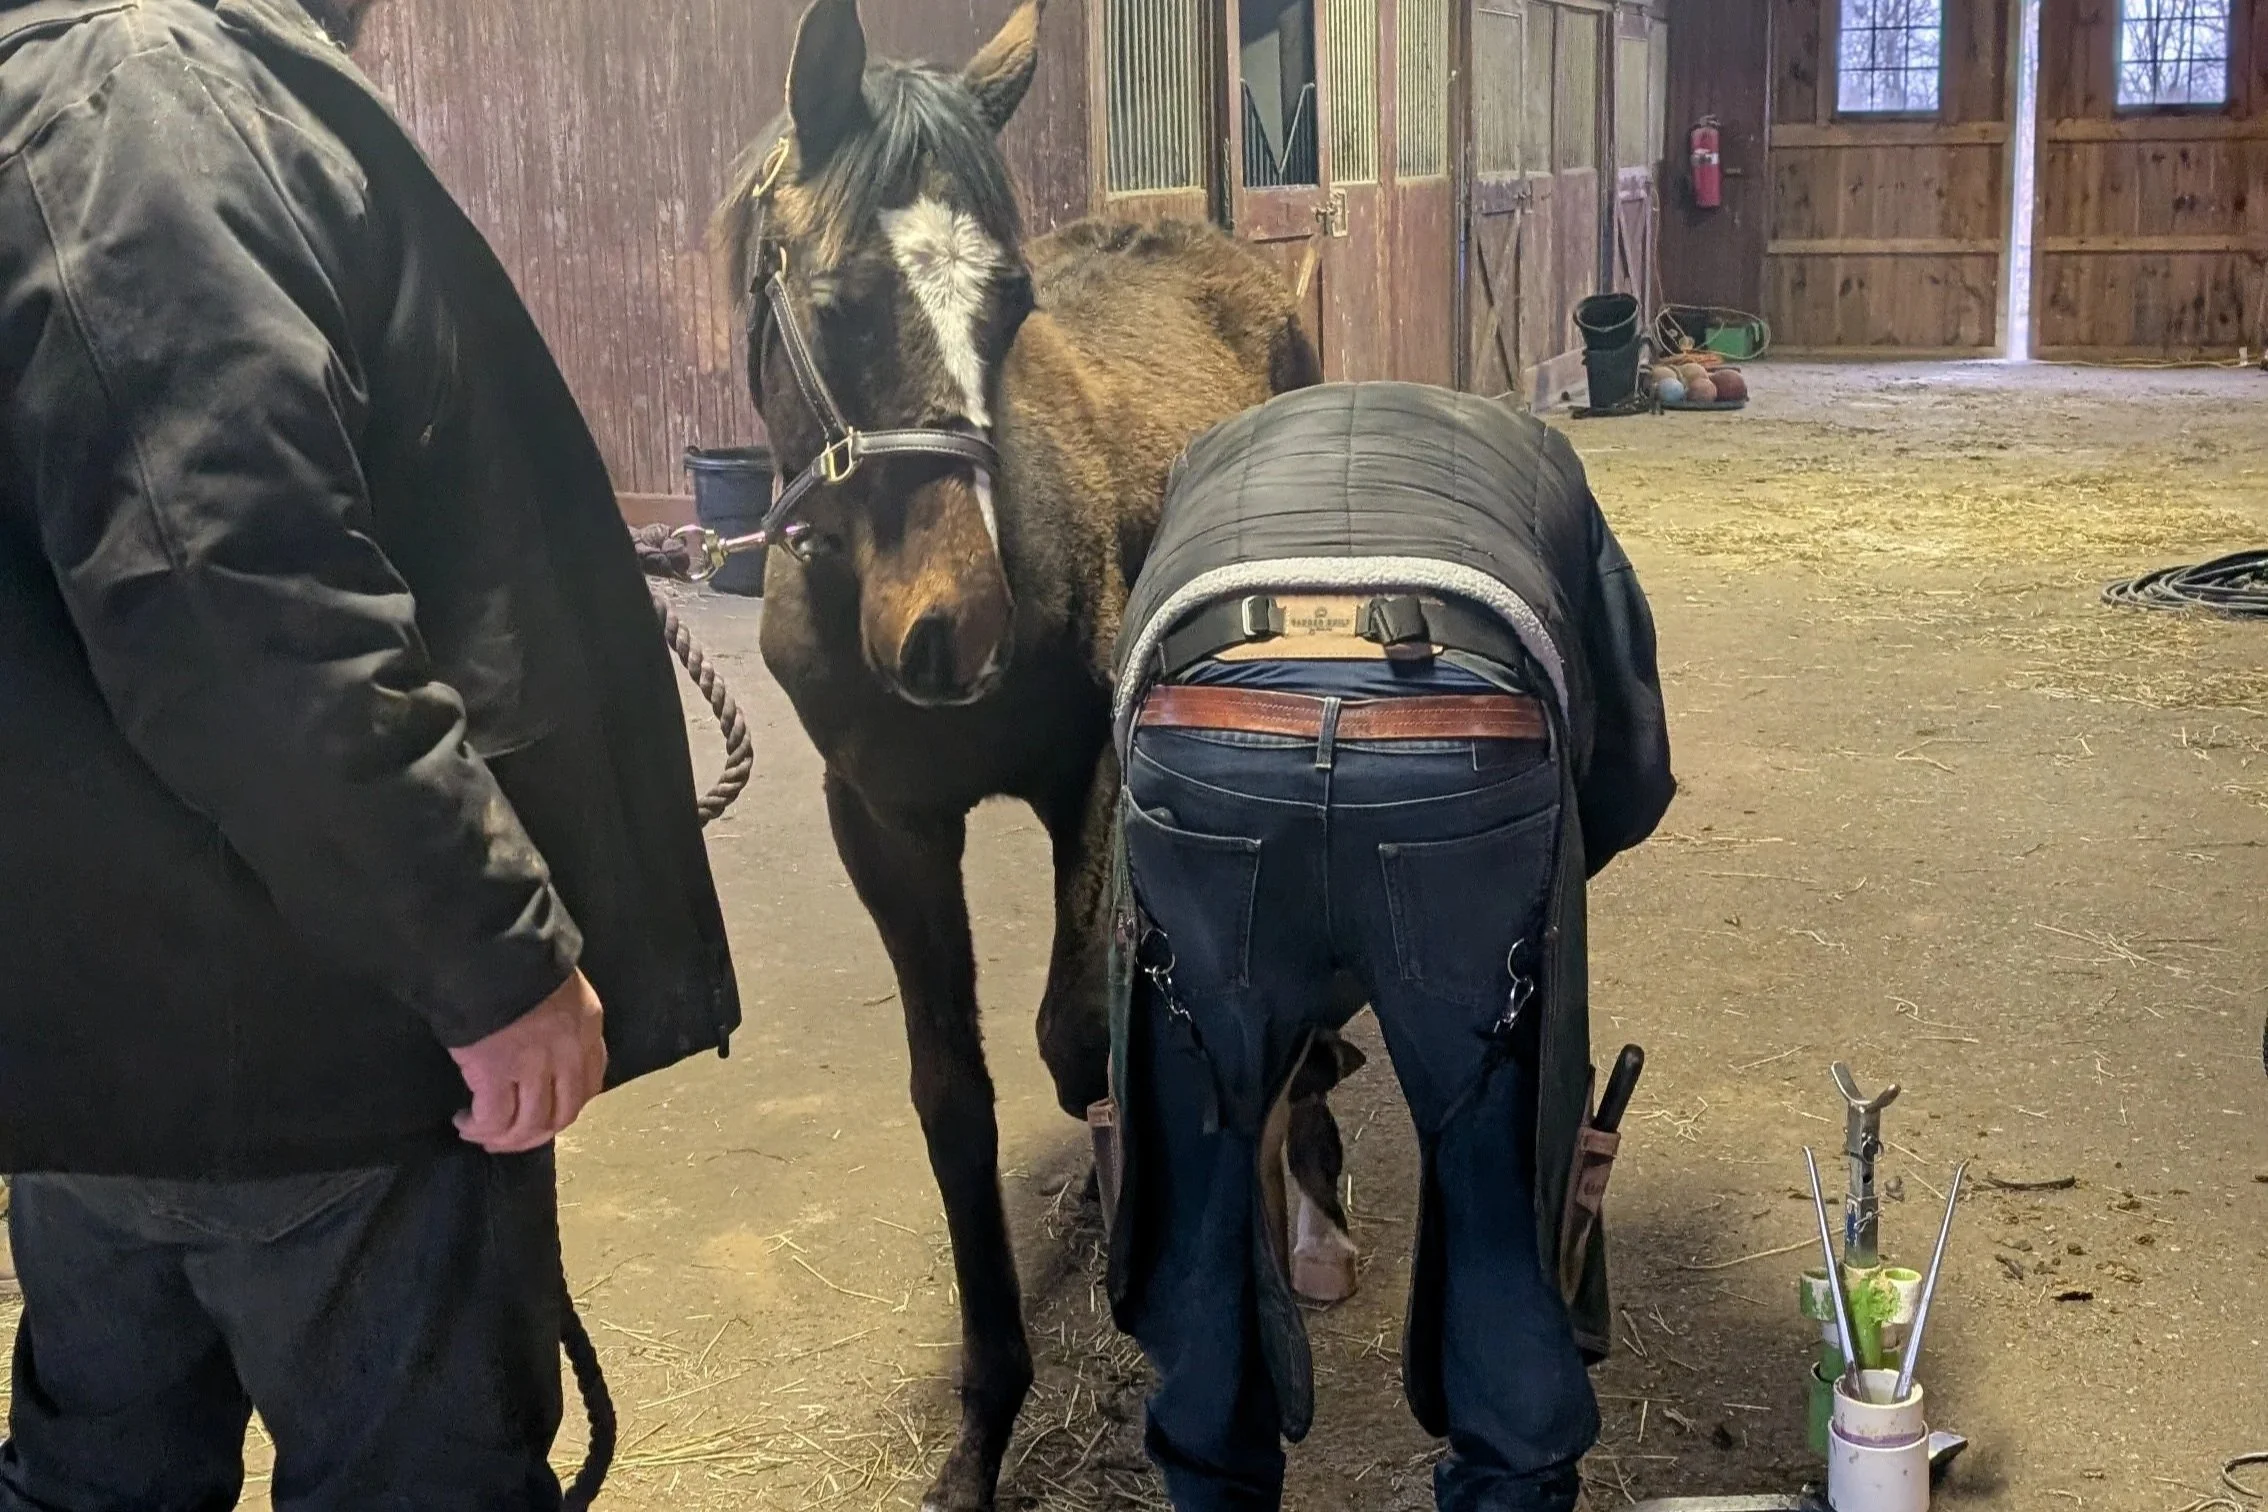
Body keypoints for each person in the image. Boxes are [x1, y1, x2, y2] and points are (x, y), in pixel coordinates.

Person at [0, 0, 739, 1505]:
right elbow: (231, 603)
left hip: (115, 1030)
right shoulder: (142, 99)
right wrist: (489, 956)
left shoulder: (81, 91)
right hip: (299, 1040)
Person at [1099, 382, 1675, 1512]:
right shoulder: (1540, 456)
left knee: (1205, 1149)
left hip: (1206, 731)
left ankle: (1211, 1485)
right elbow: (1632, 765)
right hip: (1466, 734)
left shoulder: (1207, 456)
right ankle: (1509, 1480)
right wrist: (1521, 892)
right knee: (1499, 1169)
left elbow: (1119, 723)